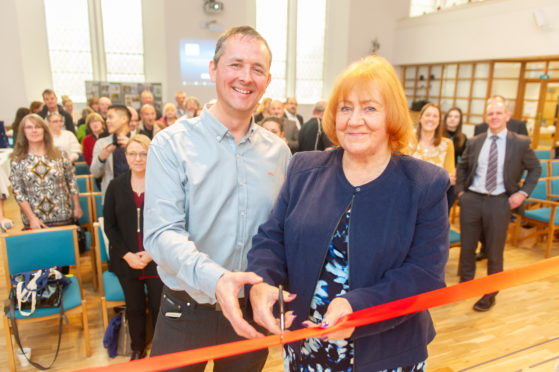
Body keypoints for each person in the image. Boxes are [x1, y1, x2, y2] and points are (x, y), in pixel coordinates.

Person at [246, 55, 449, 371]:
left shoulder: (424, 183)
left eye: (369, 108)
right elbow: (271, 239)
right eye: (345, 108)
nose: (355, 120)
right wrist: (260, 282)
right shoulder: (304, 169)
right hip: (308, 345)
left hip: (387, 351)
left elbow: (424, 274)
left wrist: (358, 307)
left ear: (392, 115)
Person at [144, 25, 291, 371]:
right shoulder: (170, 145)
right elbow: (161, 234)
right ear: (213, 69)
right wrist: (217, 279)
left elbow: (281, 232)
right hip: (185, 311)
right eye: (235, 64)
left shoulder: (280, 153)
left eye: (257, 69)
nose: (246, 77)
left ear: (267, 81)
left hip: (248, 313)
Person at [456, 98, 541, 312]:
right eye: (490, 114)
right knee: (467, 247)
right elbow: (463, 167)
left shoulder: (520, 142)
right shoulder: (476, 141)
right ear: (486, 118)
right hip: (472, 200)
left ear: (507, 116)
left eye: (498, 113)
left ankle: (490, 292)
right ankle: (465, 284)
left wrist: (522, 194)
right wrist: (461, 192)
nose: (494, 117)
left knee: (495, 251)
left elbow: (536, 169)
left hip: (499, 202)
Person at [103, 134, 163, 361]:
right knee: (135, 307)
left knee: (159, 306)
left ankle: (159, 350)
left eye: (143, 153)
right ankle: (138, 348)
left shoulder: (161, 185)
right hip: (126, 258)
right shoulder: (115, 186)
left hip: (156, 258)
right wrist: (127, 255)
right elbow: (109, 225)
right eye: (132, 153)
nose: (138, 158)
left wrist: (151, 253)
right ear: (125, 156)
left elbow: (171, 221)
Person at [10, 114, 82, 229]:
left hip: (62, 216)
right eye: (29, 127)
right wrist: (32, 218)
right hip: (35, 221)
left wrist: (77, 206)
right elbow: (18, 192)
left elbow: (71, 181)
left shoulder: (59, 153)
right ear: (23, 132)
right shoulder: (17, 159)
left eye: (38, 127)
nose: (34, 131)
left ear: (44, 130)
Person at [405, 102, 456, 211]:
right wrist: (436, 179)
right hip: (407, 199)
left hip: (434, 202)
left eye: (435, 116)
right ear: (420, 118)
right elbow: (399, 172)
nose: (431, 119)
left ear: (439, 121)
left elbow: (450, 179)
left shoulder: (447, 145)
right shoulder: (407, 139)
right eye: (427, 115)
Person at [91, 105, 132, 197]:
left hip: (137, 195)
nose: (107, 121)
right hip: (112, 196)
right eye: (106, 118)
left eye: (110, 117)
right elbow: (95, 173)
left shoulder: (140, 140)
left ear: (124, 119)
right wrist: (101, 158)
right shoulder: (101, 144)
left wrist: (132, 146)